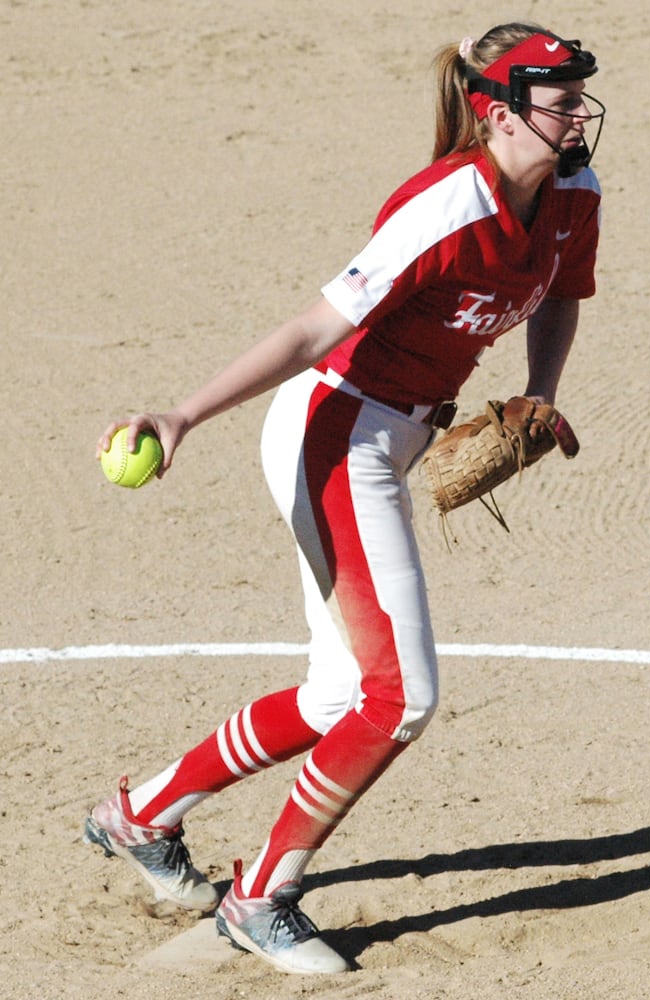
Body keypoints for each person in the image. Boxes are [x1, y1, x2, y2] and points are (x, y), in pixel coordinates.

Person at [82, 22, 606, 975]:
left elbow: (563, 290)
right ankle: (261, 897)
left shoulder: (573, 191)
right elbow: (315, 329)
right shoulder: (445, 205)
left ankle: (138, 816)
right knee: (401, 698)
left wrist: (543, 390)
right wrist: (185, 414)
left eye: (581, 95)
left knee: (338, 694)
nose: (579, 114)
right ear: (498, 113)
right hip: (336, 434)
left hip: (397, 434)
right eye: (559, 98)